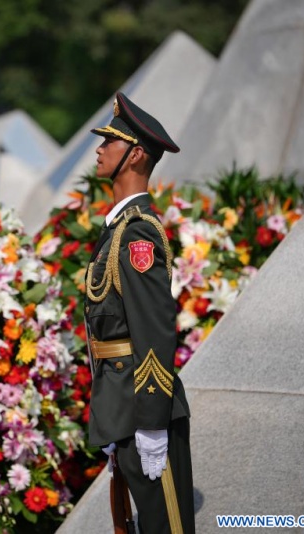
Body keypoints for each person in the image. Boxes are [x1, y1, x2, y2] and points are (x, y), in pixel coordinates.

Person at [85, 92, 194, 533]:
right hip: (122, 408)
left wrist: (151, 424)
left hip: (142, 411)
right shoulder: (118, 230)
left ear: (134, 155)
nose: (98, 149)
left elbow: (154, 329)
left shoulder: (137, 236)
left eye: (108, 142)